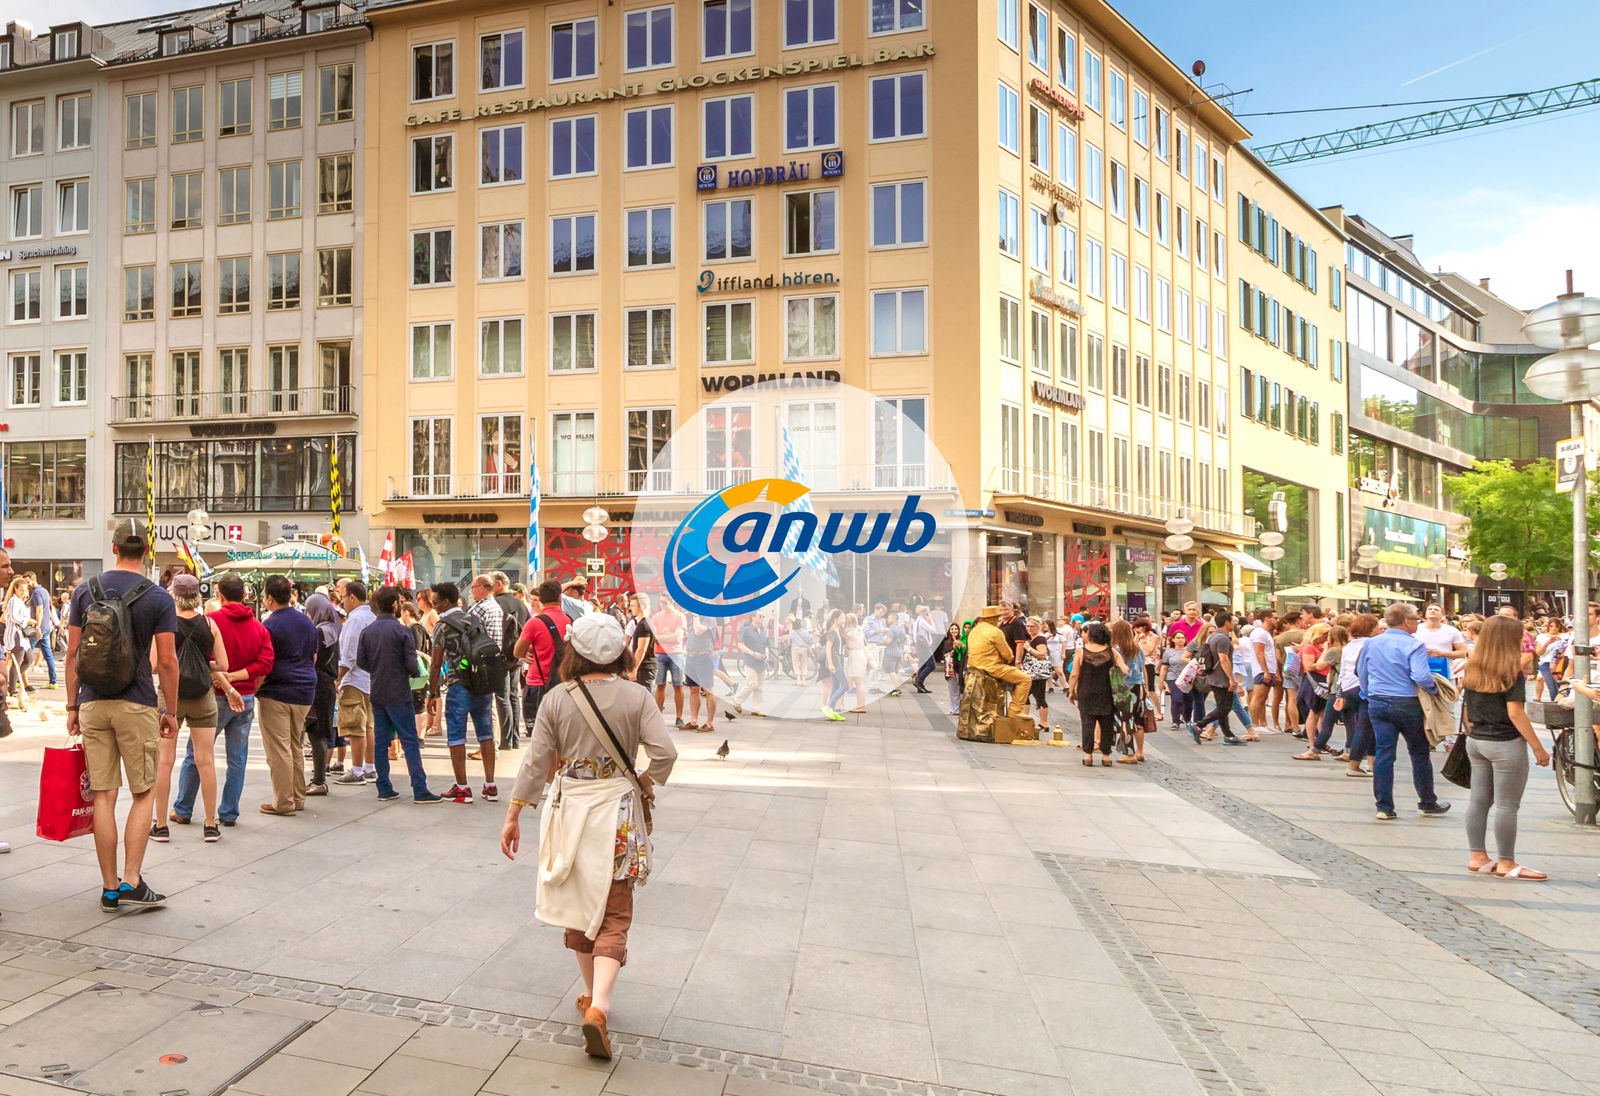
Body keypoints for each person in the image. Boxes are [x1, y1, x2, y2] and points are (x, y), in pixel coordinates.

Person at [499, 613, 677, 1061]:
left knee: (579, 903)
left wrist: (514, 813)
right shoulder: (637, 696)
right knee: (614, 911)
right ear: (619, 651)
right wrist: (646, 779)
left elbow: (536, 761)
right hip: (616, 809)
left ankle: (588, 994)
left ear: (573, 652)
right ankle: (599, 1005)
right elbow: (665, 753)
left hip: (571, 810)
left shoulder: (558, 697)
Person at [66, 518, 178, 910]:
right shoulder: (159, 597)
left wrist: (72, 705)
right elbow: (166, 661)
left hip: (93, 701)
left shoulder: (85, 590)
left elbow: (73, 655)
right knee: (143, 792)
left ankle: (109, 887)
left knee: (103, 795)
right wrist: (172, 710)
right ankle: (132, 879)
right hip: (137, 702)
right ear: (146, 551)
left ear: (114, 548)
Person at [172, 574, 270, 828]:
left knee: (197, 755)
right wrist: (243, 680)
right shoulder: (259, 627)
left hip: (212, 695)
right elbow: (266, 662)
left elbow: (206, 660)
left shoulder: (210, 622)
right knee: (237, 758)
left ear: (220, 595)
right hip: (245, 697)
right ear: (245, 595)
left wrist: (226, 681)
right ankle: (228, 812)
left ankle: (183, 808)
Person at [1462, 614, 1550, 880]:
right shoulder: (1511, 672)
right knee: (1506, 806)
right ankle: (1506, 862)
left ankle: (1477, 856)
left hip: (1476, 740)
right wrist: (1538, 747)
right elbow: (1516, 713)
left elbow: (1466, 708)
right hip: (1504, 743)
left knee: (1478, 801)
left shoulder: (1472, 666)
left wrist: (1471, 731)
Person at [151, 575, 234, 843]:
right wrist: (199, 664)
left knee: (164, 762)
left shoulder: (164, 625)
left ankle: (161, 825)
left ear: (173, 594)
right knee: (205, 761)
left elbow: (155, 664)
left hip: (169, 697)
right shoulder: (210, 624)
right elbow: (223, 664)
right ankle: (211, 825)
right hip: (203, 696)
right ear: (198, 594)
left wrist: (178, 665)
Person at [1359, 603, 1450, 821]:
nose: (1418, 622)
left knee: (1384, 753)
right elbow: (1420, 676)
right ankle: (1427, 802)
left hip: (1378, 701)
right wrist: (1434, 689)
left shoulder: (1371, 643)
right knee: (1419, 753)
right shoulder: (1414, 645)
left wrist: (1369, 693)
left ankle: (1384, 806)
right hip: (1407, 702)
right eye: (1416, 619)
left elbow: (1361, 671)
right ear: (1406, 621)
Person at [358, 586, 442, 804]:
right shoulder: (402, 631)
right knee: (410, 740)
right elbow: (412, 666)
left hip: (377, 689)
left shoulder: (368, 631)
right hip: (399, 690)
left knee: (381, 740)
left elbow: (361, 661)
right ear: (395, 605)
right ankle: (419, 788)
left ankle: (384, 786)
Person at [426, 580, 502, 804]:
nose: (435, 606)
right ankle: (490, 785)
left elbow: (436, 662)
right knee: (485, 733)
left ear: (446, 601)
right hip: (482, 683)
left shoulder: (443, 625)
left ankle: (462, 788)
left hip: (459, 684)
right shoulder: (474, 618)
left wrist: (432, 692)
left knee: (456, 736)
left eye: (436, 602)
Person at [256, 576, 318, 817]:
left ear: (270, 599)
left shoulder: (269, 625)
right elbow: (313, 657)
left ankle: (283, 801)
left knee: (278, 748)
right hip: (305, 690)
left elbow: (265, 663)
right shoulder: (307, 622)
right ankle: (297, 796)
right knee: (295, 744)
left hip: (277, 690)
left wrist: (255, 689)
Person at [514, 580, 572, 739]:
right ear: (560, 598)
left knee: (539, 738)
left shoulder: (535, 622)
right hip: (564, 684)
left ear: (541, 599)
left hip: (538, 684)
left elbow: (518, 651)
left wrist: (530, 650)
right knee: (561, 735)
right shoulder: (569, 620)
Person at [333, 582, 375, 786]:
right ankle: (369, 766)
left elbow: (348, 655)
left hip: (355, 679)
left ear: (352, 597)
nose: (342, 602)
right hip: (370, 679)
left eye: (343, 598)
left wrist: (338, 678)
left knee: (355, 726)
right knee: (368, 725)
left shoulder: (355, 619)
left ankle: (357, 770)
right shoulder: (372, 616)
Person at [1069, 621, 1126, 765]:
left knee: (1087, 723)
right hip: (1107, 692)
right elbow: (1125, 670)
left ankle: (1088, 755)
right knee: (1107, 724)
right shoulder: (1111, 651)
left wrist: (1071, 691)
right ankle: (1106, 756)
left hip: (1086, 691)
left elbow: (1074, 674)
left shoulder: (1081, 652)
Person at [301, 592, 340, 796]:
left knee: (315, 732)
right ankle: (319, 778)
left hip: (318, 685)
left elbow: (310, 658)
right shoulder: (334, 629)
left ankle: (318, 780)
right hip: (328, 684)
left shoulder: (319, 632)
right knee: (321, 732)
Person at [965, 605, 1031, 718]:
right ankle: (1015, 711)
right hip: (992, 667)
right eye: (997, 618)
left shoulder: (974, 630)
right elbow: (1007, 654)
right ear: (993, 618)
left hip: (973, 667)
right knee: (1025, 679)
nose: (998, 620)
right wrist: (1011, 658)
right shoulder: (995, 631)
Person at [1333, 614, 1379, 777]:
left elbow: (1344, 670)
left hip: (1348, 688)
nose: (1379, 628)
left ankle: (1360, 761)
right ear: (1370, 628)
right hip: (1363, 687)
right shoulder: (1371, 644)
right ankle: (1359, 764)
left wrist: (1340, 692)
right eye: (1376, 626)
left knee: (1357, 725)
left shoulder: (1349, 645)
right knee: (1367, 727)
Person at [492, 571, 531, 750]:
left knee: (502, 697)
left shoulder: (496, 603)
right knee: (513, 696)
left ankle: (506, 741)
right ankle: (514, 740)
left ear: (499, 584)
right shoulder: (520, 604)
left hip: (500, 656)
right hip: (517, 655)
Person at [1193, 612, 1244, 745]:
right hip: (1222, 678)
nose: (1234, 624)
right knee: (1224, 708)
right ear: (1226, 622)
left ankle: (1228, 735)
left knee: (1223, 707)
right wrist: (1231, 679)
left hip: (1213, 676)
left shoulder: (1212, 637)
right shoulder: (1223, 639)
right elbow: (1224, 659)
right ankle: (1198, 725)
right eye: (1232, 621)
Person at [1113, 619, 1147, 764]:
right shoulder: (1137, 647)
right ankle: (1140, 751)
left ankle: (1130, 754)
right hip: (1139, 686)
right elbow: (1142, 666)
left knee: (1125, 720)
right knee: (1138, 721)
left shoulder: (1116, 648)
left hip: (1123, 688)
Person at [650, 597, 687, 727]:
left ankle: (679, 717)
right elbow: (653, 637)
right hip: (660, 653)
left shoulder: (680, 616)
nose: (662, 605)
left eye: (665, 602)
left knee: (678, 685)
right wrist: (668, 638)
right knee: (660, 685)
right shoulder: (656, 617)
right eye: (660, 602)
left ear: (673, 602)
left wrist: (660, 638)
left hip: (676, 653)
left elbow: (677, 637)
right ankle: (658, 716)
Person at [683, 614, 719, 730]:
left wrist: (695, 616)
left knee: (708, 690)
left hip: (703, 656)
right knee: (693, 689)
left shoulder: (709, 617)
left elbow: (698, 631)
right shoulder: (693, 618)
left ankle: (709, 723)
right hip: (691, 657)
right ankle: (694, 721)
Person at [1246, 609, 1279, 732]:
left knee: (1262, 698)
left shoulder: (1265, 633)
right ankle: (1254, 724)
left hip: (1267, 669)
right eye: (1275, 618)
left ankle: (1263, 723)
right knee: (1258, 697)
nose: (1277, 620)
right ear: (1267, 618)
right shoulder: (1260, 633)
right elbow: (1259, 653)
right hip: (1261, 669)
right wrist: (1265, 670)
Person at [731, 611, 768, 717]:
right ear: (753, 617)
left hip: (761, 662)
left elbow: (766, 645)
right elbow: (740, 645)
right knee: (752, 683)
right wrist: (752, 653)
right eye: (760, 616)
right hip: (750, 661)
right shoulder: (746, 630)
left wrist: (767, 655)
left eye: (763, 616)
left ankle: (756, 709)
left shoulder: (764, 631)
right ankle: (737, 700)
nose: (762, 618)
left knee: (759, 687)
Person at [1022, 617, 1053, 733]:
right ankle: (1041, 722)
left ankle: (1042, 722)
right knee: (1035, 696)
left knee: (1031, 695)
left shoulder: (1039, 639)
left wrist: (1029, 648)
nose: (1029, 629)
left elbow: (1042, 654)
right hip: (1034, 673)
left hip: (1036, 673)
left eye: (1032, 626)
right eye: (1028, 626)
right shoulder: (1034, 638)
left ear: (1038, 627)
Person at [27, 571, 56, 688]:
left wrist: (37, 626)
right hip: (46, 626)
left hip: (38, 627)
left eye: (28, 582)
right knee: (48, 654)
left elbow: (39, 609)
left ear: (33, 579)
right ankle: (53, 681)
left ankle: (19, 679)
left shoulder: (36, 593)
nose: (26, 584)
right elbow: (47, 608)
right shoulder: (44, 590)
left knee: (25, 652)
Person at [1162, 631, 1193, 736]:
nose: (1180, 640)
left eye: (1182, 638)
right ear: (1173, 639)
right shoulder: (1168, 652)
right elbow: (1164, 667)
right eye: (1178, 638)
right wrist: (1161, 681)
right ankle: (1175, 721)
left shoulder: (1189, 651)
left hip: (1187, 678)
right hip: (1173, 677)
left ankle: (1187, 718)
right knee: (1176, 699)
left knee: (1188, 700)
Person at [933, 623, 966, 716]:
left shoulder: (962, 640)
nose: (954, 631)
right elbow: (943, 654)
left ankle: (958, 709)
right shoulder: (947, 642)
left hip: (958, 666)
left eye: (956, 629)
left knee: (960, 688)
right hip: (949, 667)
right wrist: (950, 651)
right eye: (952, 629)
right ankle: (953, 708)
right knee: (952, 689)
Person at [625, 593, 655, 689]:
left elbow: (641, 649)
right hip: (645, 667)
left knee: (644, 698)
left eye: (633, 605)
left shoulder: (644, 624)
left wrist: (634, 670)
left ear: (641, 606)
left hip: (644, 668)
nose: (630, 608)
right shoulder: (645, 622)